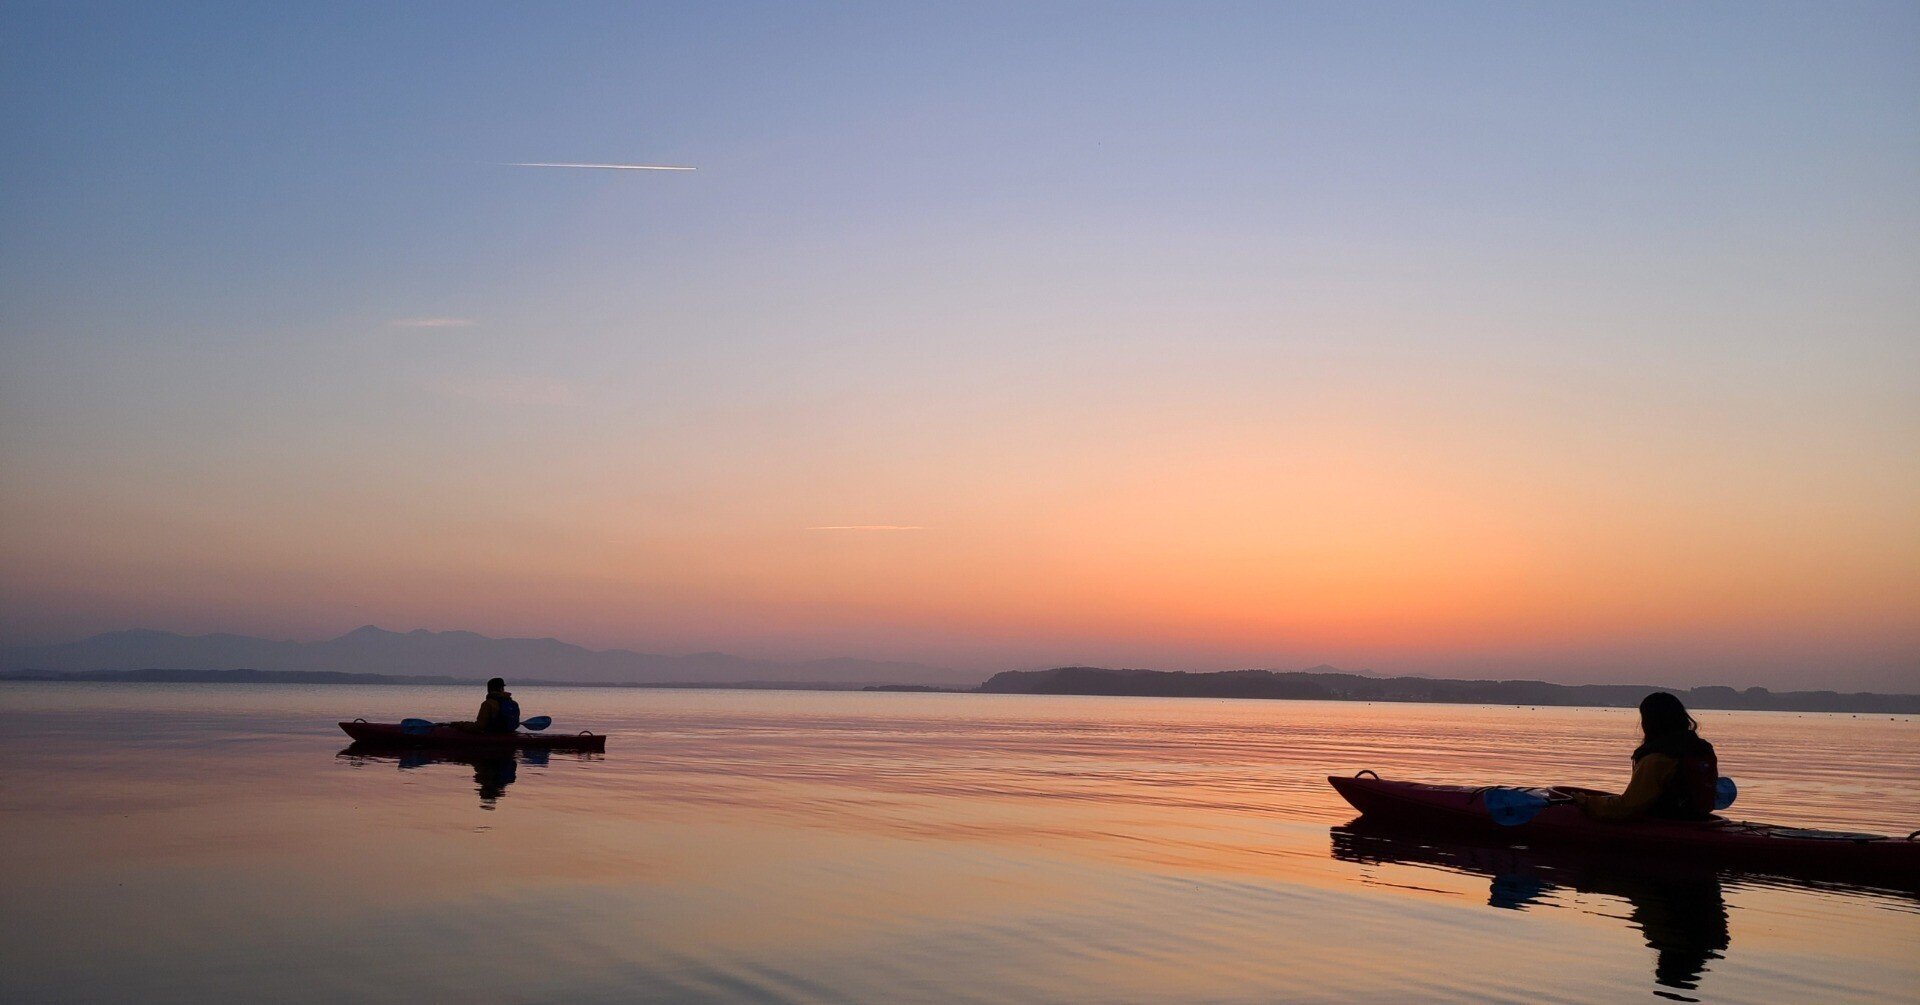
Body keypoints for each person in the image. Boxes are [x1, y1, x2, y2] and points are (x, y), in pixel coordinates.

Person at [1567, 692, 1718, 821]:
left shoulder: (1657, 760)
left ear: (1651, 722)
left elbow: (1627, 807)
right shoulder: (1703, 750)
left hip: (1665, 825)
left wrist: (1586, 803)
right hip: (1696, 821)